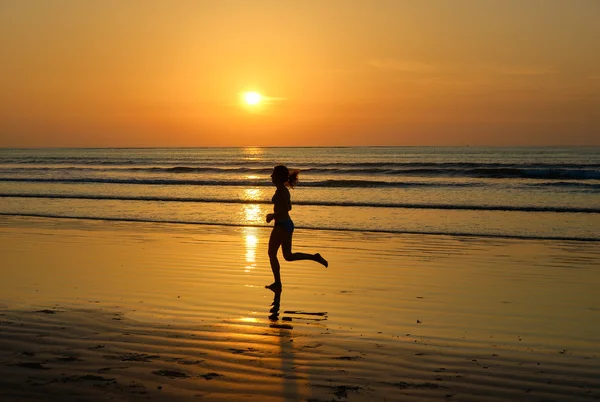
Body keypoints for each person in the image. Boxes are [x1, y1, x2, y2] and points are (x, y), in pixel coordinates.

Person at [265, 165, 328, 291]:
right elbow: (288, 207)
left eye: (273, 174)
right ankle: (314, 257)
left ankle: (278, 284)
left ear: (279, 177)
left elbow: (287, 209)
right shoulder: (282, 190)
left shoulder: (282, 191)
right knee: (287, 256)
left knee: (272, 254)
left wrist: (273, 215)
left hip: (282, 225)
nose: (271, 176)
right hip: (286, 225)